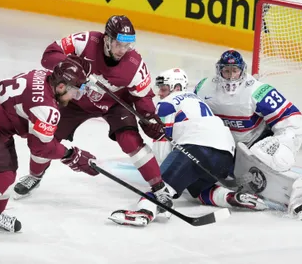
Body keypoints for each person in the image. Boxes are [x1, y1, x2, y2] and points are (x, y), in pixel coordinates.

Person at [13, 15, 172, 209]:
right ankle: (35, 175)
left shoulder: (135, 64)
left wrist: (148, 117)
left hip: (115, 105)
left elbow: (143, 97)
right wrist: (73, 67)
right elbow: (49, 54)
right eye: (118, 44)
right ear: (107, 39)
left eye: (127, 46)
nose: (123, 50)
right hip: (75, 100)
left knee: (130, 140)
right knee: (46, 138)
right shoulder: (86, 41)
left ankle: (159, 188)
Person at [0, 58, 98, 257]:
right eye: (74, 91)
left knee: (9, 170)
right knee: (1, 175)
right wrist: (72, 155)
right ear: (60, 86)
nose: (75, 96)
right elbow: (40, 149)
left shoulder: (43, 75)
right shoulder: (46, 107)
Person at [108, 68, 267, 227]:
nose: (160, 94)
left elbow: (162, 144)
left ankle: (145, 213)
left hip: (196, 147)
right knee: (197, 190)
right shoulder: (196, 100)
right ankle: (232, 197)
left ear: (176, 88)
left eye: (163, 89)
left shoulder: (167, 103)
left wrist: (161, 180)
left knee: (161, 189)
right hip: (225, 155)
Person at [194, 50, 302, 220]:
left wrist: (281, 143)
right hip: (228, 150)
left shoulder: (257, 91)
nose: (231, 76)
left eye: (235, 70)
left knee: (269, 161)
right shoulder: (203, 88)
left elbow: (292, 118)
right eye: (226, 70)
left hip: (256, 143)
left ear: (242, 71)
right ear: (219, 71)